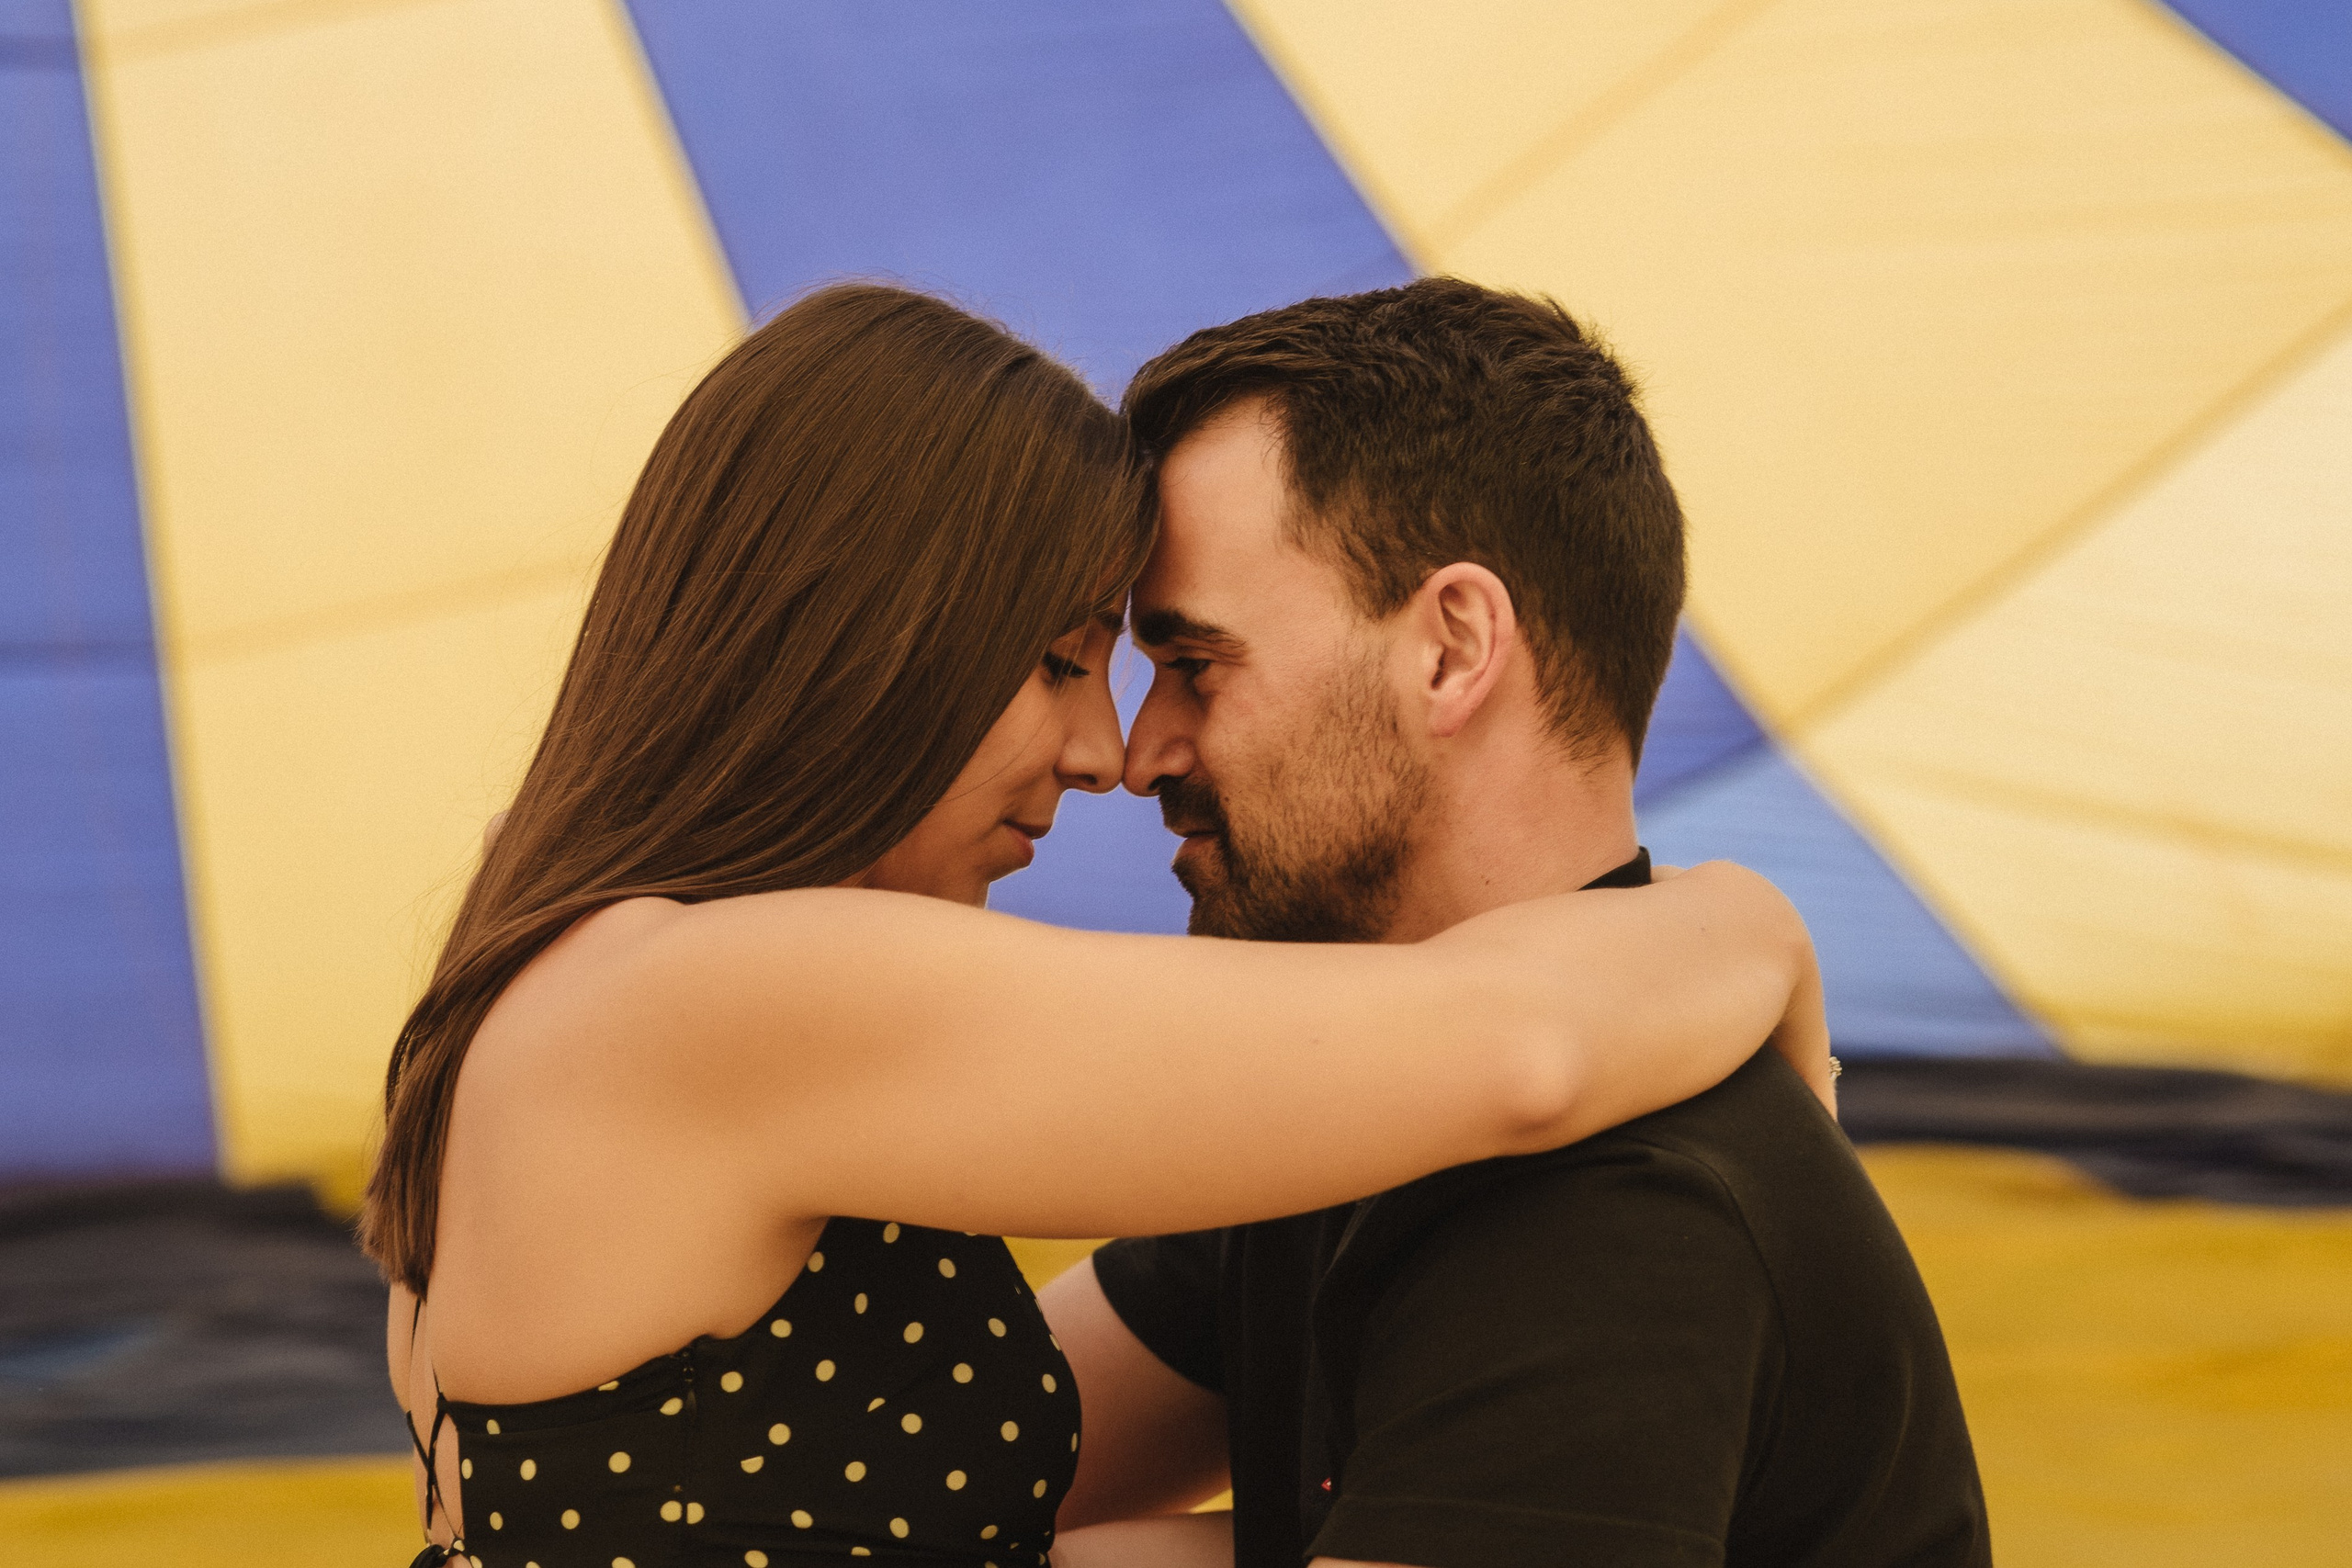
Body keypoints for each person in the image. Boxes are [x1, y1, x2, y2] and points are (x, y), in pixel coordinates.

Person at [363, 284, 1827, 1567]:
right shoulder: (726, 993)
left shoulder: (579, 963)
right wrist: (1755, 924)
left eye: (1173, 661)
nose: (1105, 749)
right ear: (873, 640)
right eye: (1068, 657)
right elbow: (1523, 1053)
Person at [1044, 279, 1991, 1568]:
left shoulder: (1626, 1207)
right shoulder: (1366, 1096)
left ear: (1450, 650)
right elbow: (959, 1472)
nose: (1139, 750)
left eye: (1197, 666)